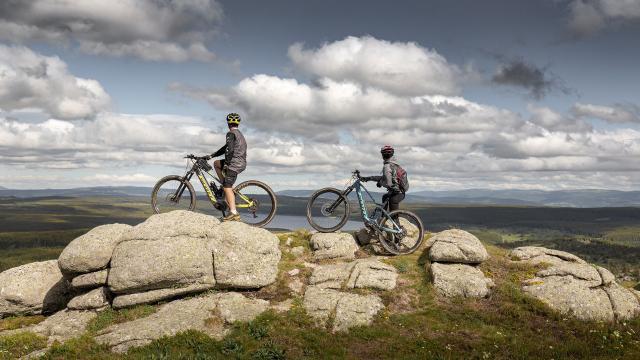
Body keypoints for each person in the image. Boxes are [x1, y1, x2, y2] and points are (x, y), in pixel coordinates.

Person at [208, 113, 247, 222]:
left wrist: (226, 164)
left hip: (234, 163)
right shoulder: (238, 134)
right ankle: (225, 186)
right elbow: (225, 148)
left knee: (227, 186)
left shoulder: (230, 133)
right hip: (239, 162)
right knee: (216, 163)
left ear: (228, 123)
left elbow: (230, 150)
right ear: (237, 123)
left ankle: (234, 213)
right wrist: (211, 155)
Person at [361, 145, 405, 213]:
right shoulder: (394, 164)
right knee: (385, 197)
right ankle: (382, 218)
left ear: (382, 155)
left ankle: (395, 222)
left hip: (397, 193)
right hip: (400, 191)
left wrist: (380, 183)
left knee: (393, 214)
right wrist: (369, 178)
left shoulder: (387, 166)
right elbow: (386, 178)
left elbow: (389, 183)